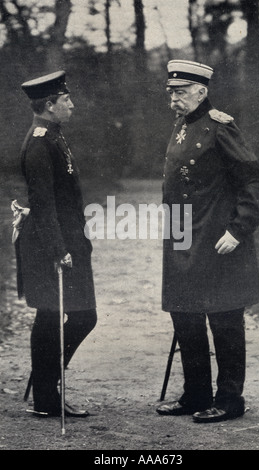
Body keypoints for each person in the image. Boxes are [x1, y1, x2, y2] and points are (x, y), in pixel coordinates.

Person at [156, 60, 259, 423]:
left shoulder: (222, 127)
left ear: (201, 92)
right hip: (183, 237)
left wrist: (238, 230)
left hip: (218, 240)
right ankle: (196, 394)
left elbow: (253, 182)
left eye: (181, 92)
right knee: (185, 317)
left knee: (224, 319)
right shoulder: (180, 125)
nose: (174, 99)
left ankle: (230, 400)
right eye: (171, 92)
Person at [15, 71, 97, 418]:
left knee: (70, 316)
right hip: (49, 244)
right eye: (66, 101)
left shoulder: (53, 136)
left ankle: (46, 383)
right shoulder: (38, 143)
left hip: (65, 239)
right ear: (49, 105)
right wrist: (58, 249)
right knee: (58, 316)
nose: (72, 105)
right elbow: (44, 203)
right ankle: (47, 393)